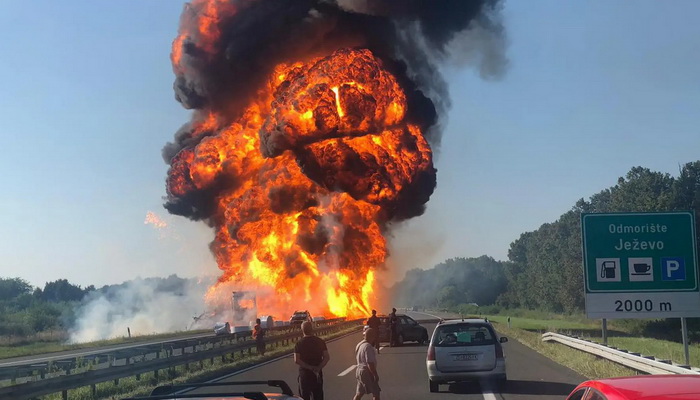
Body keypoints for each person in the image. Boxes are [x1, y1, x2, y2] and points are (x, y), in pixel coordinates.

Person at [294, 321, 330, 400]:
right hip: (317, 374)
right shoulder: (320, 341)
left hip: (304, 375)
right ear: (312, 329)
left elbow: (297, 360)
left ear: (302, 330)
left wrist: (309, 367)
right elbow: (326, 357)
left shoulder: (299, 344)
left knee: (304, 397)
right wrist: (318, 367)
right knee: (318, 395)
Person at [353, 327, 381, 400]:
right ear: (372, 336)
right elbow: (370, 363)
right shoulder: (368, 347)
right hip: (367, 372)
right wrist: (375, 375)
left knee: (359, 393)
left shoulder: (360, 344)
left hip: (359, 371)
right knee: (376, 393)